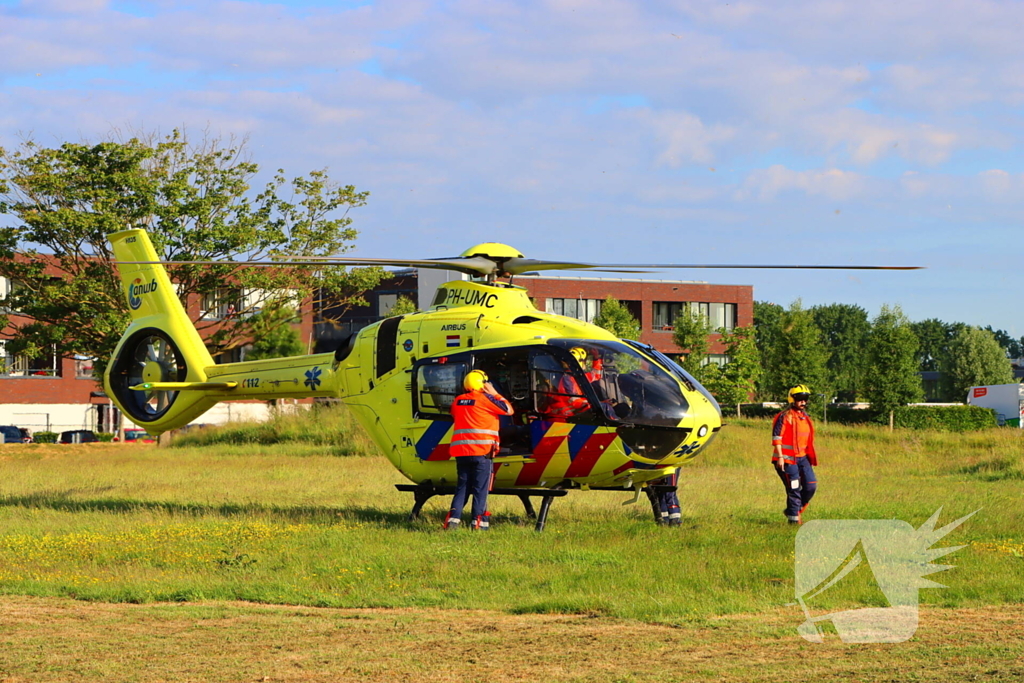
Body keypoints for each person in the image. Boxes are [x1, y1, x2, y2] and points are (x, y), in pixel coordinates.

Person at [444, 370, 514, 530]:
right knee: (480, 488)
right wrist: (495, 393)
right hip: (482, 452)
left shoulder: (458, 401)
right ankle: (479, 523)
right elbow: (508, 410)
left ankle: (452, 521)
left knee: (462, 487)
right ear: (482, 384)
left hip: (461, 452)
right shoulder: (485, 399)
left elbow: (455, 414)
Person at [772, 384, 818, 524]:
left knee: (811, 485)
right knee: (794, 488)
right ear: (792, 399)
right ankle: (793, 520)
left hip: (803, 458)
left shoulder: (804, 417)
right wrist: (780, 457)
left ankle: (794, 509)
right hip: (786, 460)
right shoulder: (785, 417)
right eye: (800, 399)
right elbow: (776, 437)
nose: (803, 402)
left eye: (806, 399)